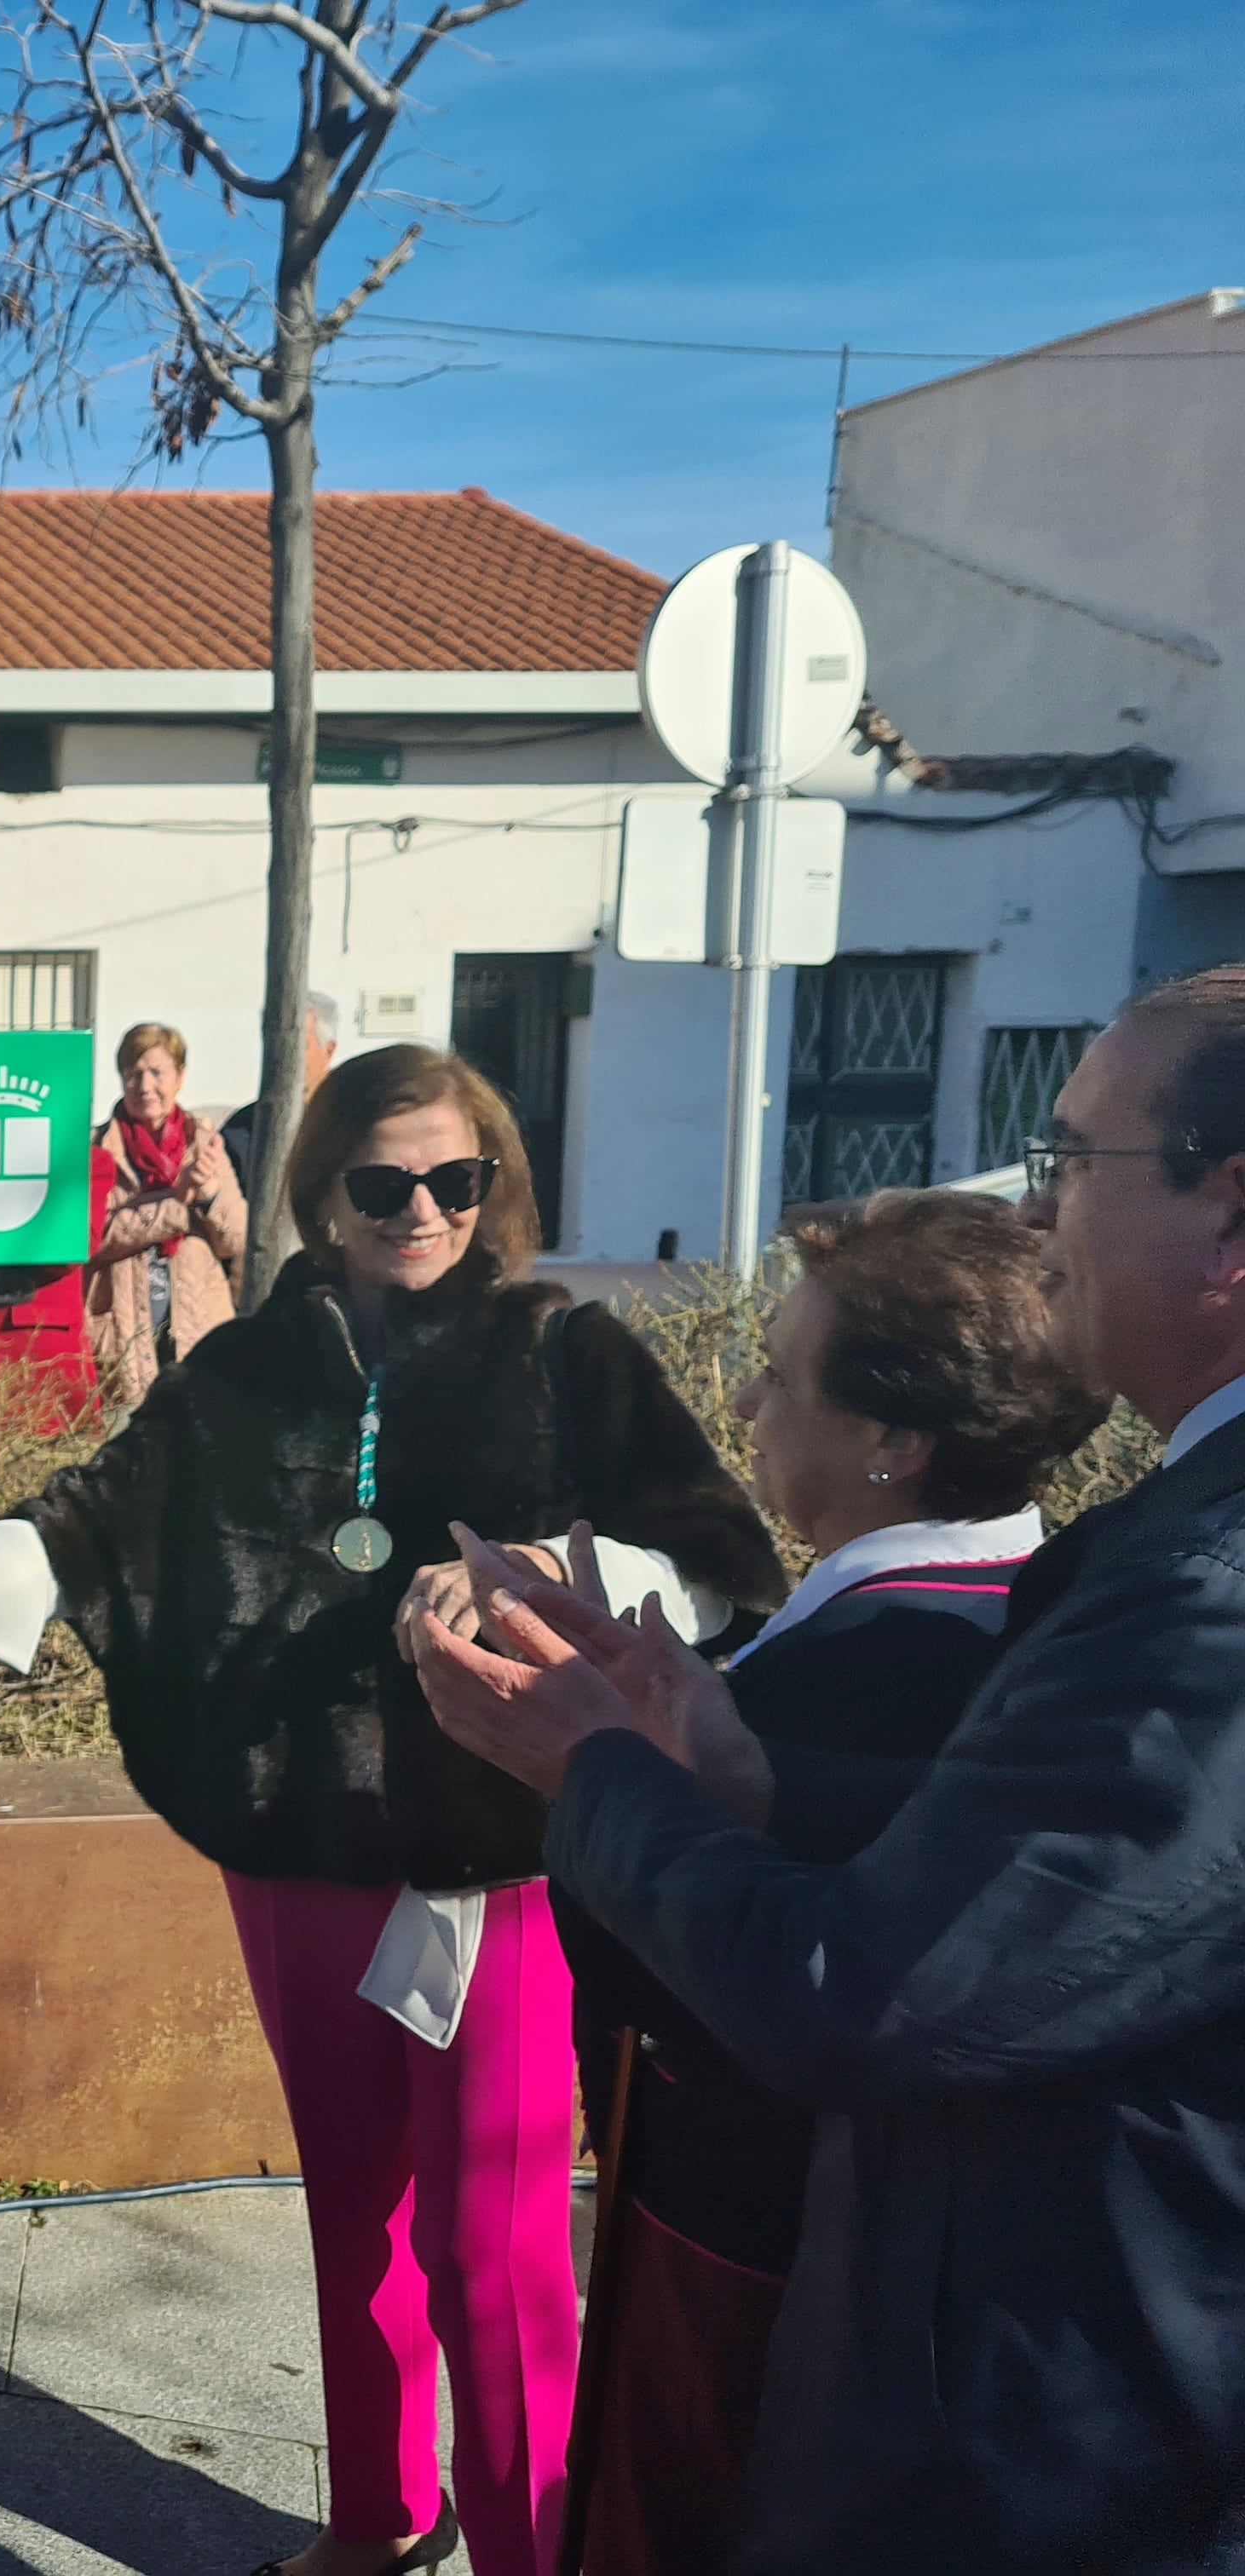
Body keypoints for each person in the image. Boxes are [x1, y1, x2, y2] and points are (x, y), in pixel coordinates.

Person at [0, 1041, 784, 2576]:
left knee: (497, 2250)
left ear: (493, 1183)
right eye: (383, 1181)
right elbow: (91, 1527)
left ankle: (537, 2548)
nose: (422, 1209)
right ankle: (380, 2515)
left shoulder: (565, 1351)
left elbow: (719, 1565)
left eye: (455, 1180)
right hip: (296, 1849)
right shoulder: (239, 1369)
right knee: (354, 2209)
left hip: (499, 1858)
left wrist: (538, 1570)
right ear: (320, 1192)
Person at [413, 968, 1245, 2574]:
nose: (1043, 1203)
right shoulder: (1166, 1546)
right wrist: (738, 1770)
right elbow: (1063, 1889)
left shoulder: (1204, 1591)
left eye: (1075, 1158)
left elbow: (866, 1987)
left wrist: (593, 1770)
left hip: (1059, 2435)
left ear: (1229, 1221)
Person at [546, 1190, 1104, 2576]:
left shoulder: (865, 1658)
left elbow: (674, 1959)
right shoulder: (1033, 1612)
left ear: (893, 1440)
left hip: (747, 2233)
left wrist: (579, 1761)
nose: (744, 1403)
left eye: (783, 1374)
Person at [0, 1021, 243, 1430]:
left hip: (198, 1339)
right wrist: (176, 1208)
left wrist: (211, 1195)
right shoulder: (96, 1148)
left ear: (180, 1078)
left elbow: (237, 1239)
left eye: (156, 1073)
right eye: (133, 1074)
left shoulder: (206, 1144)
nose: (144, 1086)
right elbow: (92, 1237)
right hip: (120, 1345)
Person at [216, 987, 340, 1213]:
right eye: (276, 1045)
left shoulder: (359, 1121)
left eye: (297, 1046)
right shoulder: (242, 1131)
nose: (284, 1058)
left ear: (329, 1051)